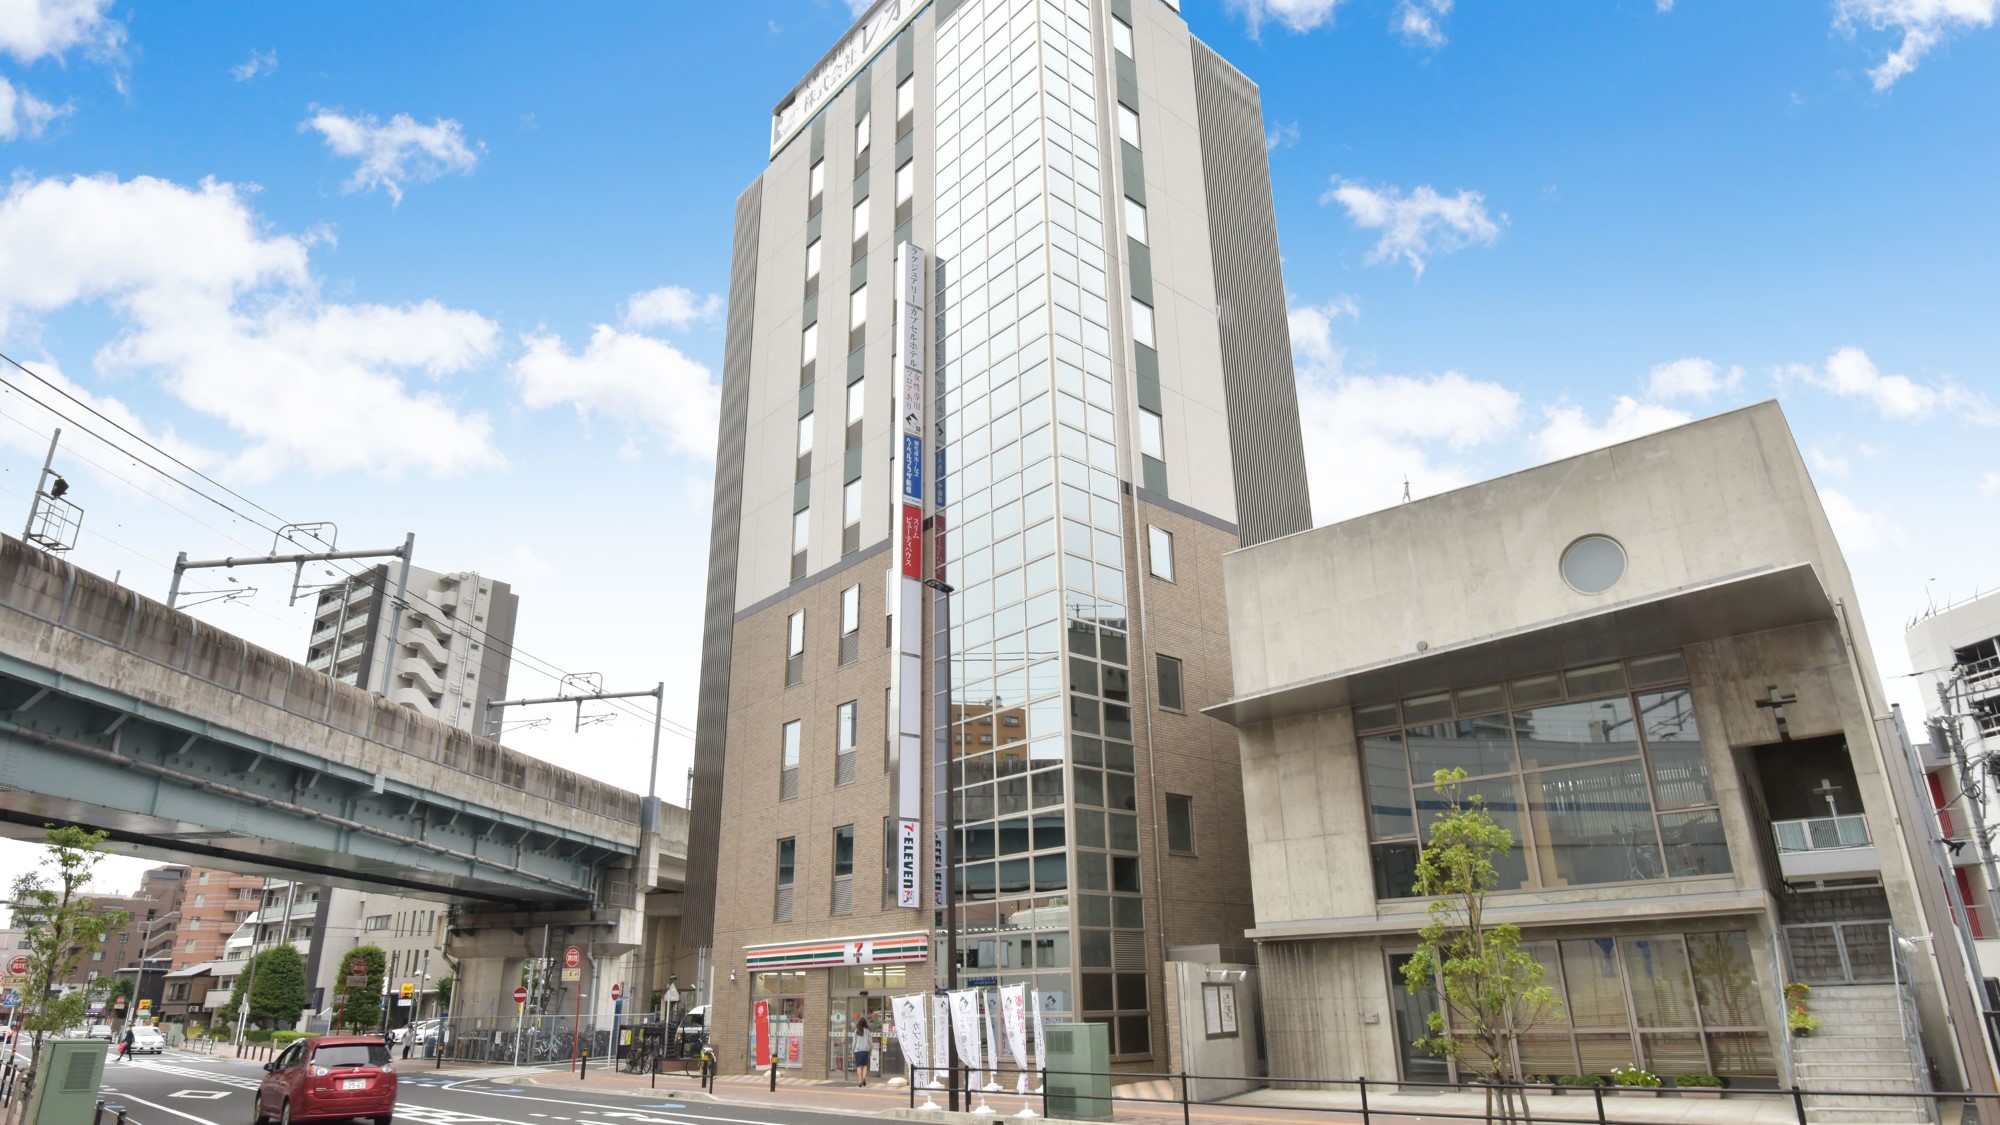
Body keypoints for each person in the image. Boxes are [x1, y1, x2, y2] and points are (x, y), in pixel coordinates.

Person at [851, 1017, 872, 1087]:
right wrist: (870, 1050)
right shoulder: (868, 1031)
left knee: (858, 1066)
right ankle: (863, 1078)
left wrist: (852, 1051)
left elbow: (854, 1042)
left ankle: (860, 1080)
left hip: (857, 1050)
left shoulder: (856, 1031)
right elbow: (870, 1042)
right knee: (865, 1065)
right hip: (866, 1050)